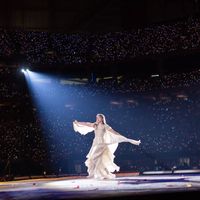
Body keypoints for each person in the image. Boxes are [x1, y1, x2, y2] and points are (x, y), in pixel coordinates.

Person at [73, 113, 141, 179]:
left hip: (102, 143)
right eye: (96, 118)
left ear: (102, 119)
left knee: (94, 157)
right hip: (95, 143)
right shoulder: (95, 125)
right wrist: (78, 123)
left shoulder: (105, 126)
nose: (97, 119)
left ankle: (98, 173)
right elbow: (87, 123)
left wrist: (120, 136)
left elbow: (113, 131)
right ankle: (101, 173)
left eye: (98, 117)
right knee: (98, 159)